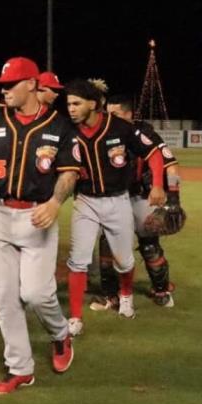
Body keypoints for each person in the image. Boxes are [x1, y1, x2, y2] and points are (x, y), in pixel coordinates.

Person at [0, 57, 79, 394]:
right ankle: (20, 368)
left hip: (38, 215)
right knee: (5, 297)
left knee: (37, 294)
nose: (4, 90)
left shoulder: (60, 126)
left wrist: (55, 203)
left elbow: (69, 171)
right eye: (2, 86)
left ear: (32, 85)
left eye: (10, 85)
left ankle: (59, 334)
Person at [63, 80, 166, 337]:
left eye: (76, 104)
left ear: (94, 104)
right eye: (68, 104)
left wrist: (158, 186)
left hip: (118, 200)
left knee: (124, 260)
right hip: (85, 201)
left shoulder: (120, 127)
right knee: (78, 260)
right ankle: (75, 317)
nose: (71, 109)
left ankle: (126, 297)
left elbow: (153, 152)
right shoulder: (69, 131)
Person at [91, 95, 181, 310]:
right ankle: (110, 296)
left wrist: (174, 198)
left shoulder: (145, 133)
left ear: (129, 114)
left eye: (115, 114)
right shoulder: (103, 131)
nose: (109, 118)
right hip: (114, 197)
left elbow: (170, 165)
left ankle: (161, 291)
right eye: (107, 114)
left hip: (141, 196)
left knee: (149, 244)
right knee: (107, 245)